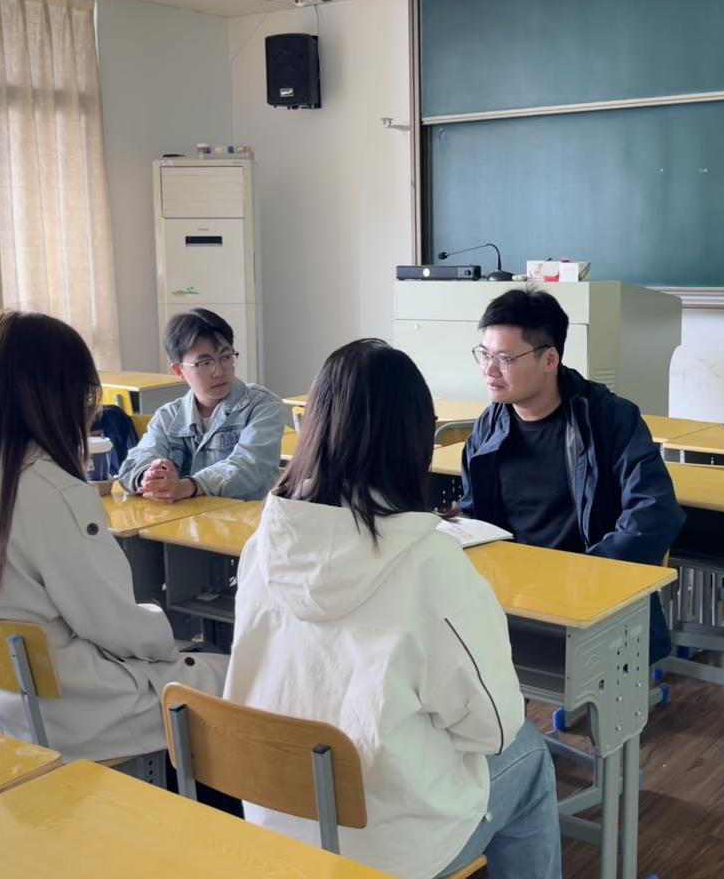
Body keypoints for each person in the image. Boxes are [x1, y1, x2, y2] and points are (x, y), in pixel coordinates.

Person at [224, 338, 561, 879]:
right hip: (386, 846)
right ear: (415, 438)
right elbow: (493, 730)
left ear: (315, 427)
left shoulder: (263, 543)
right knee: (529, 754)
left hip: (272, 818)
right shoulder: (429, 563)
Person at [0, 310, 228, 763]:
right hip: (81, 711)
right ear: (59, 397)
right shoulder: (54, 491)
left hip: (5, 702)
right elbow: (113, 624)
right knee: (235, 674)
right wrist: (170, 639)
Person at [459, 286, 684, 662]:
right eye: (485, 354)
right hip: (510, 600)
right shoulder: (488, 426)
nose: (489, 370)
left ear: (550, 359)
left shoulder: (610, 419)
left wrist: (585, 575)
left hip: (587, 600)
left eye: (505, 359)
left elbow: (654, 512)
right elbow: (474, 518)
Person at [118, 309, 284, 502]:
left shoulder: (262, 406)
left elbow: (249, 465)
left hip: (249, 518)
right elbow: (135, 462)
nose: (219, 371)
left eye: (226, 357)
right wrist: (148, 477)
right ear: (179, 370)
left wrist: (189, 486)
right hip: (187, 520)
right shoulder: (169, 417)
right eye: (205, 363)